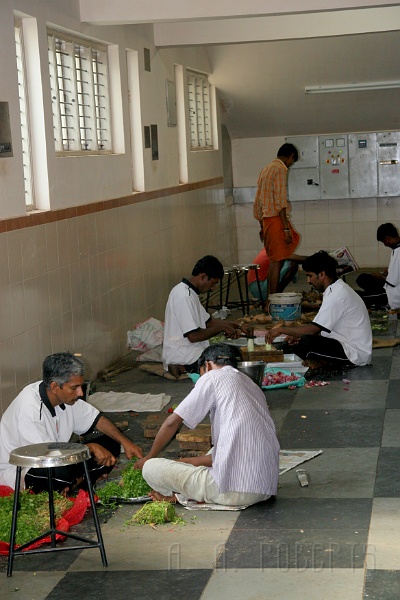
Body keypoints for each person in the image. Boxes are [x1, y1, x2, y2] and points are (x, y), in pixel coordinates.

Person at [135, 344, 280, 508]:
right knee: (217, 450)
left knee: (151, 468)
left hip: (234, 491)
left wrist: (149, 457)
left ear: (208, 364)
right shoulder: (250, 383)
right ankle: (184, 493)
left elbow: (171, 423)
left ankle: (181, 494)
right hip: (264, 489)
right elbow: (228, 451)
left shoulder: (212, 376)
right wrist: (184, 462)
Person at [0, 352, 143, 493]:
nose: (80, 393)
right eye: (74, 388)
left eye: (80, 386)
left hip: (58, 457)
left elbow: (96, 420)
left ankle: (75, 482)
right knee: (58, 474)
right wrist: (90, 448)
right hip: (25, 470)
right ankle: (78, 481)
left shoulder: (66, 398)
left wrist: (125, 442)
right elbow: (45, 456)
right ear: (55, 387)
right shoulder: (29, 407)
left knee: (112, 442)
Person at [265, 251, 372, 369]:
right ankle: (322, 361)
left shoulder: (337, 295)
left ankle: (320, 361)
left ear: (321, 274)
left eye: (310, 276)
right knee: (300, 341)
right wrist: (295, 334)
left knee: (305, 344)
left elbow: (312, 330)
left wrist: (281, 330)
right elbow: (322, 327)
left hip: (354, 353)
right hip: (343, 343)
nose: (308, 281)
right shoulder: (335, 289)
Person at [162, 255, 250, 378]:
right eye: (212, 283)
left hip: (195, 351)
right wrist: (221, 329)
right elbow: (193, 336)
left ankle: (188, 366)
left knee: (234, 352)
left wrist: (238, 325)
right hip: (183, 354)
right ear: (203, 276)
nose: (213, 288)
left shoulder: (190, 293)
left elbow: (209, 322)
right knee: (227, 360)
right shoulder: (183, 296)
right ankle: (181, 366)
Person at [253, 143, 301, 303]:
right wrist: (286, 229)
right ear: (291, 157)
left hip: (267, 220)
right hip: (276, 220)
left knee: (276, 259)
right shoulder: (280, 169)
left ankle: (270, 300)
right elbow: (280, 202)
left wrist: (261, 225)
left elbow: (258, 200)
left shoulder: (266, 169)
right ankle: (271, 302)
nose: (290, 165)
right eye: (292, 161)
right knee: (276, 262)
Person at [356, 223, 400, 309]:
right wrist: (389, 272)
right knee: (362, 278)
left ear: (388, 238)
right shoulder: (396, 249)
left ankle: (377, 298)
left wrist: (381, 276)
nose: (385, 244)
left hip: (393, 295)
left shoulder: (398, 252)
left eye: (384, 242)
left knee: (361, 298)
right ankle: (374, 294)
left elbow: (392, 282)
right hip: (390, 286)